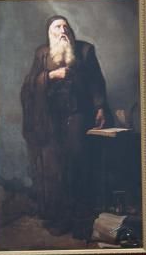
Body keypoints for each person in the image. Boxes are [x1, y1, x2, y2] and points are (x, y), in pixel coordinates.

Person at [20, 15, 109, 237]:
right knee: (54, 168)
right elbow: (29, 85)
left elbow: (96, 82)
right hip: (49, 120)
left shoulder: (85, 50)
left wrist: (100, 108)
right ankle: (59, 217)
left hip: (77, 116)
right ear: (49, 33)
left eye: (65, 26)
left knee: (77, 164)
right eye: (57, 27)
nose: (62, 31)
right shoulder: (42, 54)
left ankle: (80, 220)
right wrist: (50, 76)